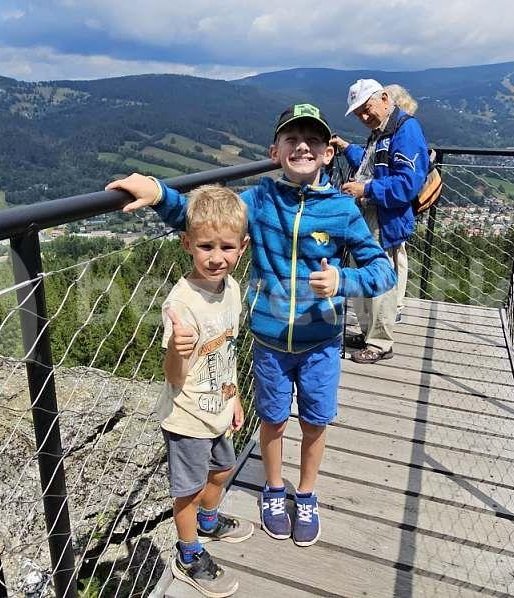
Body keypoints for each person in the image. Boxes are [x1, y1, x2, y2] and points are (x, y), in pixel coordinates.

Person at [106, 103, 395, 550]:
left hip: (321, 342)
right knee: (274, 419)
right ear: (275, 150)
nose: (302, 145)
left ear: (326, 153)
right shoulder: (258, 201)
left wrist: (344, 280)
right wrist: (160, 193)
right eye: (292, 139)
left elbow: (383, 272)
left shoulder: (342, 210)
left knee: (316, 422)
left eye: (313, 140)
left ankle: (308, 493)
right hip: (269, 340)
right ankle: (275, 490)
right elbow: (204, 219)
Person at [152, 184, 253, 597]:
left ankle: (209, 522)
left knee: (223, 470)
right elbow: (174, 376)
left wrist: (235, 396)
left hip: (218, 406)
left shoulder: (230, 289)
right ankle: (189, 552)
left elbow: (226, 351)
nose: (216, 257)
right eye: (205, 246)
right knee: (188, 491)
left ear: (242, 247)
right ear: (186, 244)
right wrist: (178, 350)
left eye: (226, 247)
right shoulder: (181, 302)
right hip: (187, 416)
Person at [330, 80, 430, 365]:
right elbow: (372, 163)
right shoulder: (383, 129)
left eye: (366, 108)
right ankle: (367, 333)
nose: (363, 116)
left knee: (379, 279)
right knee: (363, 275)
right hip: (370, 213)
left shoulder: (406, 129)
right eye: (358, 112)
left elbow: (408, 183)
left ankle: (380, 343)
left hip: (382, 217)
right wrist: (347, 148)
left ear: (385, 98)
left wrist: (366, 190)